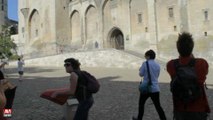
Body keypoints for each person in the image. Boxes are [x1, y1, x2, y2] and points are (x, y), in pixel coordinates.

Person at [166, 32, 210, 120]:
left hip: (180, 108)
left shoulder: (171, 64)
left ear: (178, 48)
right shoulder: (202, 63)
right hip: (198, 108)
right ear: (192, 47)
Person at [133, 50, 167, 120]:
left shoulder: (145, 64)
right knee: (158, 106)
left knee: (141, 104)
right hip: (155, 88)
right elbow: (157, 76)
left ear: (148, 56)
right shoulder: (158, 65)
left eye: (145, 56)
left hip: (146, 88)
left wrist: (141, 70)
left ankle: (139, 118)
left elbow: (141, 74)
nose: (145, 57)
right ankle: (163, 119)